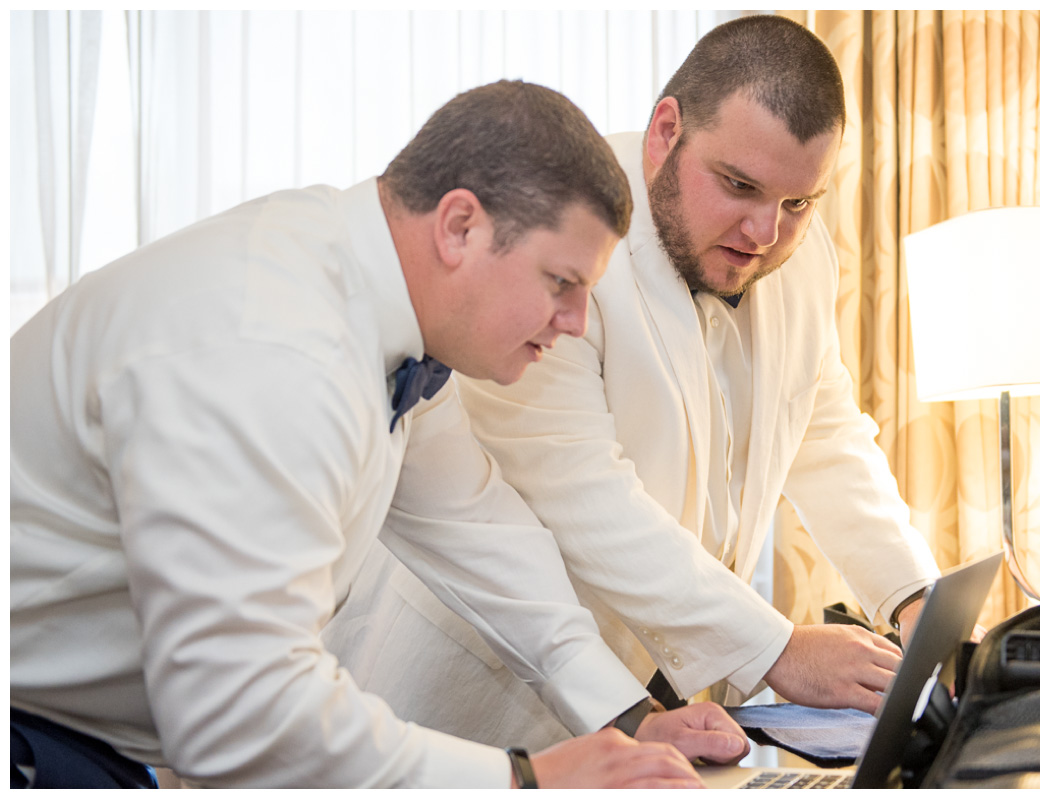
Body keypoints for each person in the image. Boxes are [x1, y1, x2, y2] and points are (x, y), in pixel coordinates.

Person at [9, 80, 750, 789]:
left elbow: (479, 529)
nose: (578, 322)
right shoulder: (274, 352)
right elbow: (238, 714)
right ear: (460, 226)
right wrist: (529, 778)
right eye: (562, 283)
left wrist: (626, 721)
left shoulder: (379, 307)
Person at [323, 15, 944, 753]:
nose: (764, 232)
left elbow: (824, 431)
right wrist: (776, 649)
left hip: (659, 709)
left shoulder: (801, 259)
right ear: (665, 131)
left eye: (798, 203)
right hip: (476, 703)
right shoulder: (559, 242)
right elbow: (580, 495)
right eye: (738, 185)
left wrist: (914, 598)